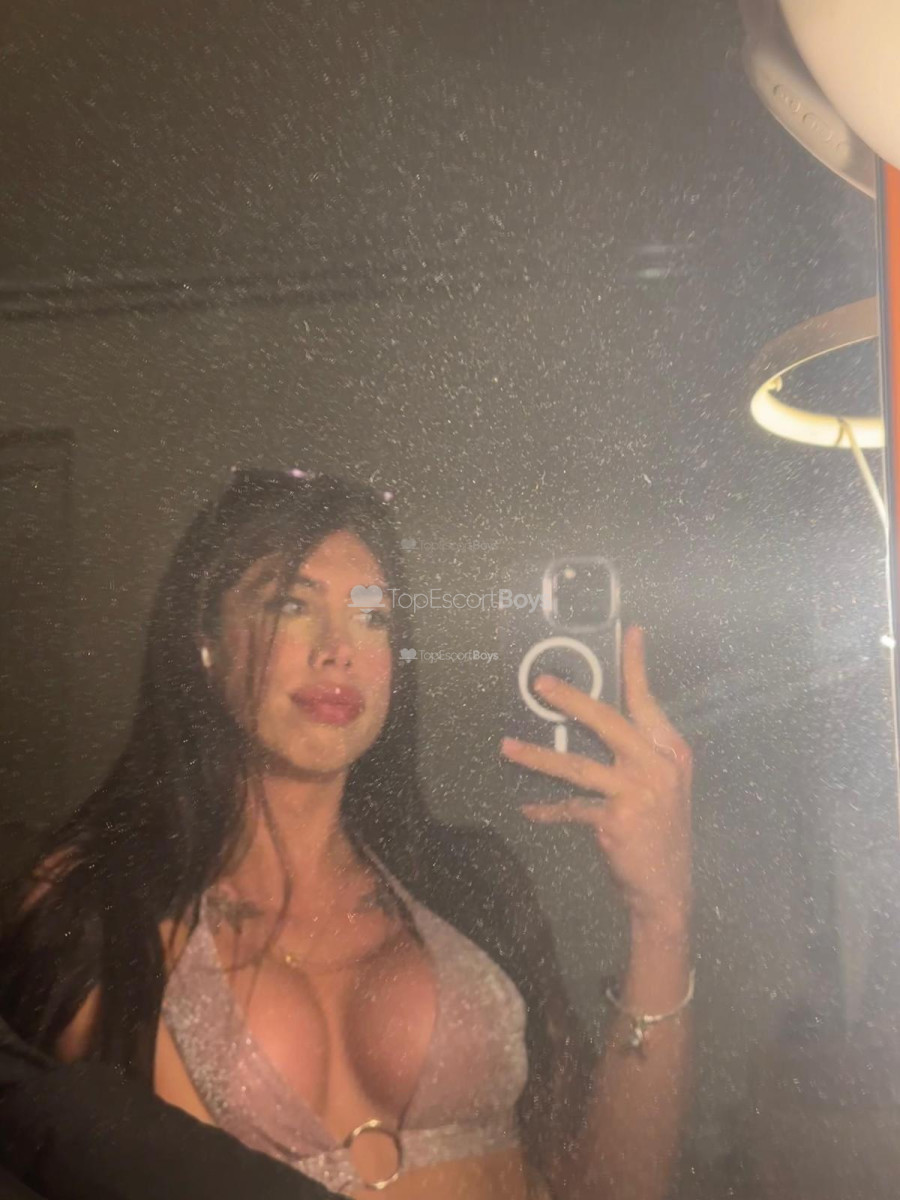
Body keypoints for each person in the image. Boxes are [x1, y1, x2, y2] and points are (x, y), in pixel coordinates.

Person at [0, 468, 693, 1200]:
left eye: (373, 617)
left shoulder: (471, 883)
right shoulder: (94, 910)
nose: (340, 650)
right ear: (204, 640)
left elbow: (607, 1188)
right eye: (292, 604)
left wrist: (662, 912)